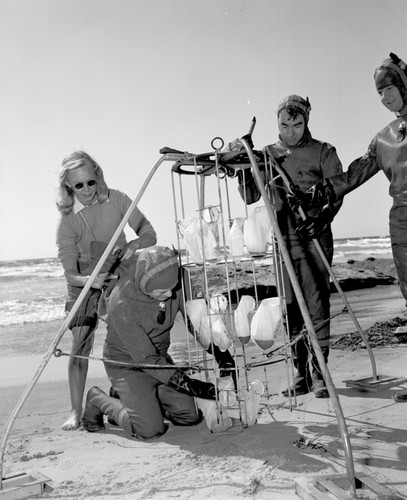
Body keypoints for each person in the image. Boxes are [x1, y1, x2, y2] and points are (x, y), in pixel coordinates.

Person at [238, 95, 343, 398]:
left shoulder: (323, 152)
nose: (291, 132)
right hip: (282, 241)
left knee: (316, 304)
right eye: (285, 125)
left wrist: (321, 219)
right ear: (277, 122)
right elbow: (248, 196)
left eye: (297, 125)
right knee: (290, 308)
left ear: (306, 121)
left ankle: (321, 374)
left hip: (314, 238)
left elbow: (337, 192)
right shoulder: (268, 155)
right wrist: (246, 165)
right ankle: (302, 375)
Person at [82, 246, 234, 439]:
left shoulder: (177, 278)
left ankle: (132, 400)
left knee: (190, 416)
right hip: (127, 364)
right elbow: (148, 360)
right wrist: (189, 385)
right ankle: (98, 399)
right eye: (162, 291)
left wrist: (220, 353)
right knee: (150, 430)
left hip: (160, 360)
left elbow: (194, 320)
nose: (171, 295)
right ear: (146, 287)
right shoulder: (122, 305)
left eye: (172, 289)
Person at [56, 150, 157, 431]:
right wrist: (90, 280)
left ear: (97, 174)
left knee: (128, 340)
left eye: (91, 181)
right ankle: (76, 411)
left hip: (117, 274)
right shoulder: (67, 223)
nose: (87, 190)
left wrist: (134, 245)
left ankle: (131, 394)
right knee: (80, 348)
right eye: (79, 186)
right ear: (68, 188)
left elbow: (148, 231)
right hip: (83, 285)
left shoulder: (117, 199)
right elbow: (70, 274)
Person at [306, 53, 407, 310]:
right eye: (380, 92)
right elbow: (354, 175)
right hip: (401, 221)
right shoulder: (383, 138)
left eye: (390, 88)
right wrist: (319, 191)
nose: (385, 98)